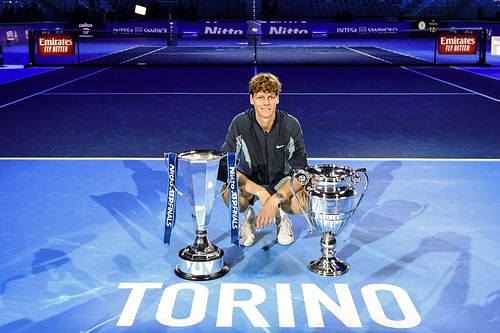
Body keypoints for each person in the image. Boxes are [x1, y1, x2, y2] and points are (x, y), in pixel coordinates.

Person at [219, 72, 308, 246]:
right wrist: (260, 191)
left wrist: (274, 200)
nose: (266, 103)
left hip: (280, 181)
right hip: (250, 182)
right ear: (251, 99)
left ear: (278, 99)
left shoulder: (290, 125)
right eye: (260, 97)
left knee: (301, 202)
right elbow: (224, 166)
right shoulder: (240, 123)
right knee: (230, 194)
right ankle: (248, 217)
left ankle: (281, 217)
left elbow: (302, 173)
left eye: (271, 97)